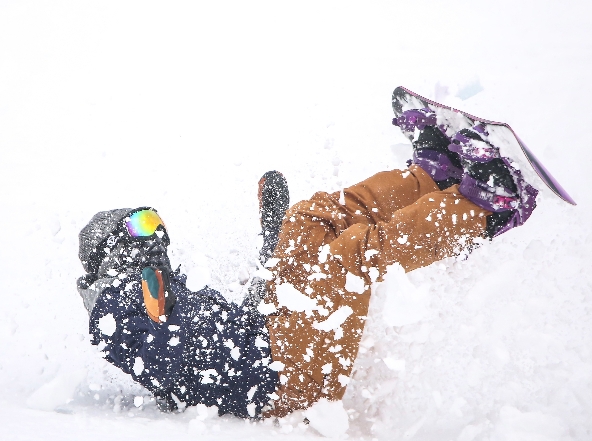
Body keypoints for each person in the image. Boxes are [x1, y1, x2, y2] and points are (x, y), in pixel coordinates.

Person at [77, 108, 538, 418]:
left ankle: (431, 177)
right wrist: (144, 284)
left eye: (154, 221)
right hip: (283, 383)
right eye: (139, 225)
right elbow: (184, 360)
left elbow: (215, 343)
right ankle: (483, 208)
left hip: (274, 347)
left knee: (307, 221)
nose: (155, 232)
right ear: (112, 249)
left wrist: (271, 255)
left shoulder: (153, 297)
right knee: (343, 261)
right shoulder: (115, 313)